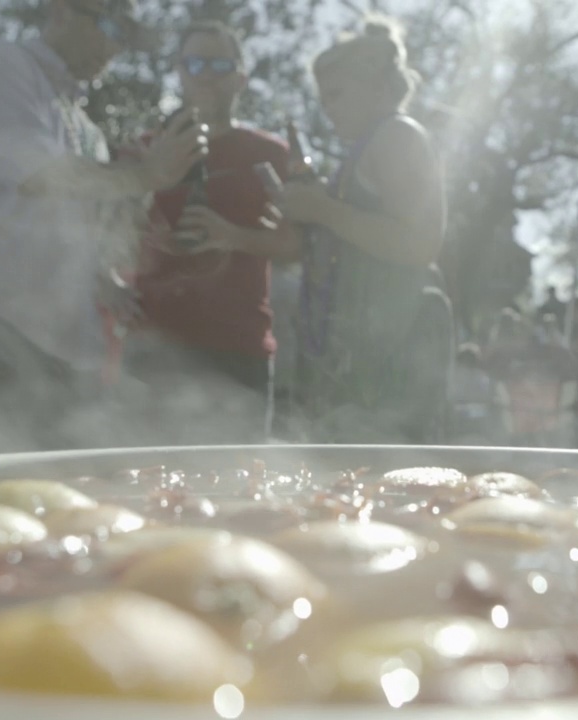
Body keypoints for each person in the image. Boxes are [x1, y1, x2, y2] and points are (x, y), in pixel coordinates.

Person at [0, 0, 207, 457]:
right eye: (109, 24)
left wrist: (105, 279)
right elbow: (39, 176)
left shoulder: (84, 127)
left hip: (66, 351)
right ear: (60, 10)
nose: (116, 45)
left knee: (61, 512)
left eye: (125, 32)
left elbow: (71, 227)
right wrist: (147, 176)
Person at [120, 20, 298, 445]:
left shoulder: (271, 154)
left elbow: (297, 247)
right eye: (194, 63)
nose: (205, 74)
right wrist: (109, 280)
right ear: (179, 71)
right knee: (143, 488)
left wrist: (232, 236)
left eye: (219, 64)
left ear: (241, 76)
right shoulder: (143, 151)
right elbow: (106, 235)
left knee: (239, 492)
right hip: (151, 350)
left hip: (238, 349)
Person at [282, 16, 452, 444]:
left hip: (391, 365)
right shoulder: (367, 146)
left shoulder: (397, 135)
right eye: (323, 100)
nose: (328, 109)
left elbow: (419, 244)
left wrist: (322, 210)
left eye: (337, 94)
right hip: (355, 369)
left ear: (377, 86)